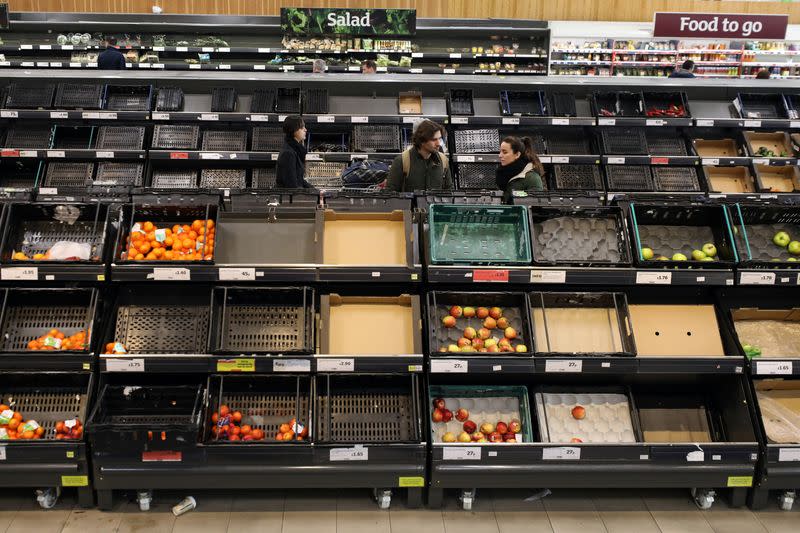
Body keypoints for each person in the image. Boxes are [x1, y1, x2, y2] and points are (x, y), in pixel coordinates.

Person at [386, 119, 452, 191]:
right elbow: (391, 194)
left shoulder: (443, 160)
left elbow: (449, 191)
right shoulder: (402, 161)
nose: (438, 143)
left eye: (439, 138)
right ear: (421, 141)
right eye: (434, 140)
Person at [496, 136, 544, 202]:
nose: (500, 155)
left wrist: (516, 194)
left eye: (505, 152)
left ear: (517, 155)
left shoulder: (532, 178)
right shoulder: (502, 173)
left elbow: (535, 203)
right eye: (500, 151)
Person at [276, 115, 313, 189]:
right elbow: (291, 186)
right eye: (302, 127)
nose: (305, 130)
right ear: (294, 130)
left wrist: (316, 191)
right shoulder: (288, 153)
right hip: (289, 198)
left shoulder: (295, 149)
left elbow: (299, 179)